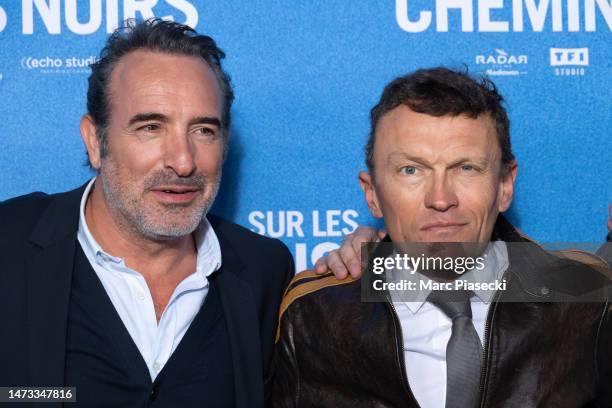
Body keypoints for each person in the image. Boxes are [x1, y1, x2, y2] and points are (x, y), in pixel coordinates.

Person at [0, 19, 297, 407]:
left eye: (204, 130)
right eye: (151, 127)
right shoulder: (10, 244)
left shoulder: (265, 271)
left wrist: (376, 257)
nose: (183, 161)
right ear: (95, 140)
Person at [273, 67, 612, 407]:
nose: (440, 198)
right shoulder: (312, 317)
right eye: (411, 170)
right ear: (372, 192)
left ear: (505, 185)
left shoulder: (587, 303)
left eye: (466, 168)